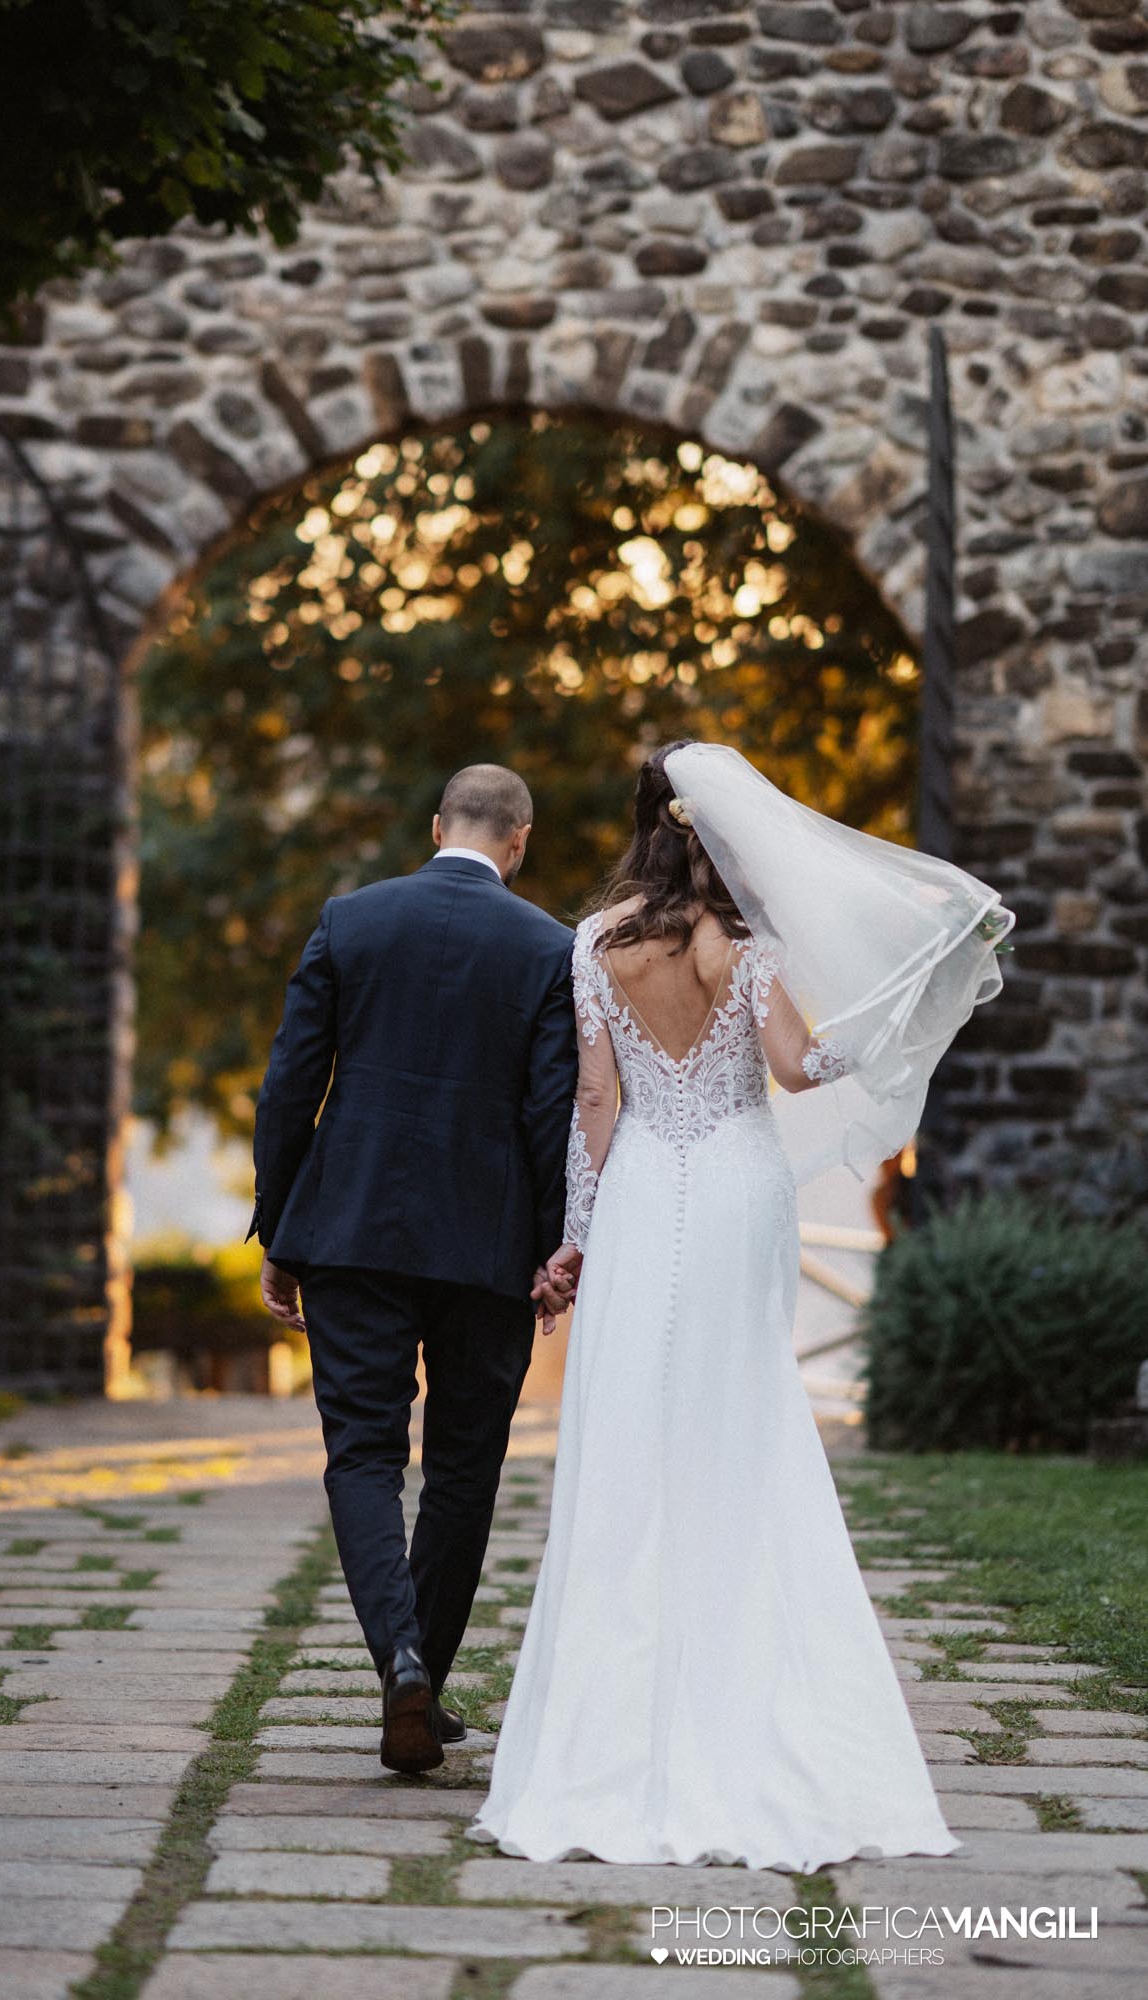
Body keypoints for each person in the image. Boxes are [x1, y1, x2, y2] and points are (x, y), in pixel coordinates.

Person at [473, 739, 1012, 1869]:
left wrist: (576, 1234)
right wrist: (883, 1026)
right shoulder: (747, 949)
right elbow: (797, 1070)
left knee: (632, 1427)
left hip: (639, 1188)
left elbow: (594, 1100)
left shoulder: (594, 943)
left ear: (642, 827)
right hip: (735, 1184)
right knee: (745, 1417)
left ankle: (604, 1736)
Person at [247, 764, 578, 1774]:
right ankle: (419, 1670)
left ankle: (401, 1662)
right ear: (519, 840)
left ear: (437, 826)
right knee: (464, 1467)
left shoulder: (350, 921)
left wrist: (281, 1227)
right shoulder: (549, 947)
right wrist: (554, 1247)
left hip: (352, 1229)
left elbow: (289, 1084)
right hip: (487, 1244)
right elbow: (551, 1112)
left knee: (362, 1454)